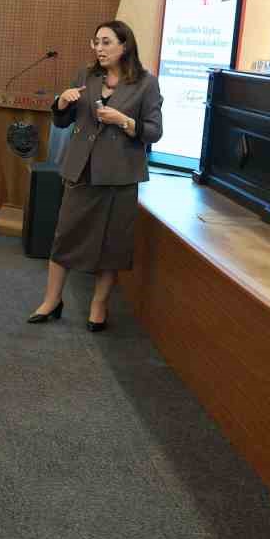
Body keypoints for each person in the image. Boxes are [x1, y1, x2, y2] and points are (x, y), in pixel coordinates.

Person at [29, 20, 163, 332]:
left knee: (111, 244)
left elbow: (154, 132)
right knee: (65, 236)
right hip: (82, 170)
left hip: (119, 176)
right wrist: (61, 103)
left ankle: (98, 306)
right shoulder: (86, 75)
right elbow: (63, 121)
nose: (99, 49)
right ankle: (52, 300)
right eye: (96, 42)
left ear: (124, 46)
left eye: (106, 42)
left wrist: (123, 121)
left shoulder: (146, 83)